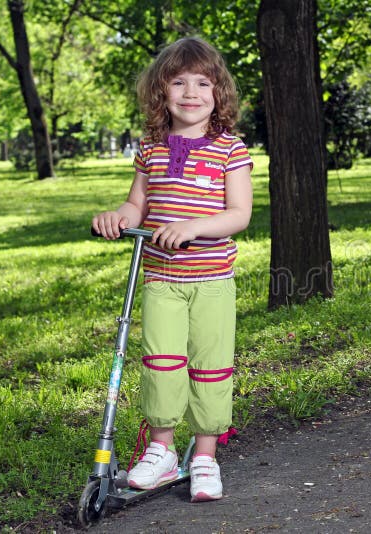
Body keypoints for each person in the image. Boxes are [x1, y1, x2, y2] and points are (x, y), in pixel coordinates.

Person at [91, 36, 253, 502]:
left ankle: (205, 456)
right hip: (162, 278)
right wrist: (117, 218)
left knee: (210, 367)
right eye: (177, 82)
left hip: (212, 281)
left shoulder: (229, 149)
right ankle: (161, 452)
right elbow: (136, 204)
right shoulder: (151, 148)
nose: (190, 92)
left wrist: (191, 227)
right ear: (160, 93)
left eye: (203, 83)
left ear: (218, 93)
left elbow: (238, 214)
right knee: (161, 363)